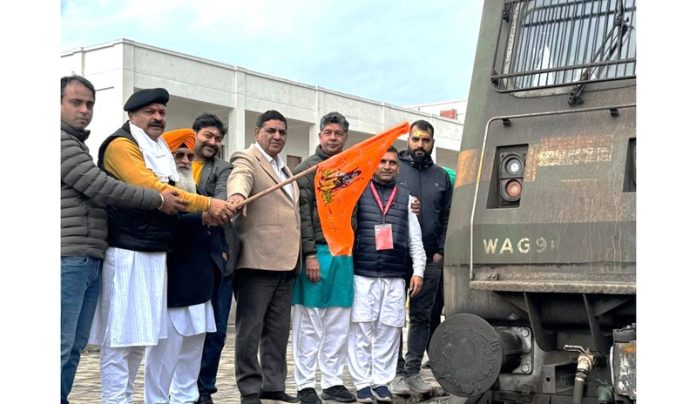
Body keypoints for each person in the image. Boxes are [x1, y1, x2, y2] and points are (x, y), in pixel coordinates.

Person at [88, 88, 235, 404]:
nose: (157, 118)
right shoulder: (121, 146)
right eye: (150, 112)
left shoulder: (156, 149)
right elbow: (155, 189)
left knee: (141, 340)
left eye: (162, 112)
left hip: (154, 253)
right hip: (127, 251)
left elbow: (172, 193)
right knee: (120, 340)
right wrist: (208, 204)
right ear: (132, 114)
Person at [60, 75, 187, 404]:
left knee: (100, 344)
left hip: (109, 252)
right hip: (100, 253)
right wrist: (160, 199)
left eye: (89, 104)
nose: (84, 110)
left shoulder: (82, 144)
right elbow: (105, 187)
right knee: (104, 342)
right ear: (133, 116)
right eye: (76, 102)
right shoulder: (115, 146)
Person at [144, 128, 225, 404]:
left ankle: (185, 399)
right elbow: (164, 226)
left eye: (188, 155)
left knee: (193, 352)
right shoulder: (158, 188)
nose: (184, 160)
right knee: (165, 355)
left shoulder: (197, 189)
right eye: (178, 154)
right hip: (173, 284)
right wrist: (201, 218)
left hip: (201, 284)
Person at [227, 110, 302, 404]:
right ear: (257, 132)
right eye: (271, 131)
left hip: (286, 262)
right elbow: (240, 178)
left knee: (278, 330)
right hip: (257, 261)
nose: (277, 137)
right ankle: (249, 388)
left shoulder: (286, 169)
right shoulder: (247, 158)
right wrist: (236, 196)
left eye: (282, 132)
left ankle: (273, 384)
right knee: (250, 330)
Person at [347, 146, 426, 403]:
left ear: (398, 167)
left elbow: (416, 240)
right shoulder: (358, 193)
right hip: (363, 273)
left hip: (394, 276)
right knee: (361, 329)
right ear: (374, 164)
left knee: (389, 331)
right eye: (382, 161)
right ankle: (361, 383)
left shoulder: (406, 198)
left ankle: (381, 382)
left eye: (392, 162)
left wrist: (418, 272)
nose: (387, 166)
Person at [291, 112, 356, 404]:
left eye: (338, 134)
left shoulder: (350, 167)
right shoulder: (306, 169)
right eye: (328, 133)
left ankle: (331, 381)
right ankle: (305, 384)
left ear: (345, 138)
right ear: (320, 135)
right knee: (309, 322)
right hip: (316, 251)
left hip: (344, 253)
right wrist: (308, 254)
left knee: (339, 321)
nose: (332, 138)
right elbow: (302, 214)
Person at [392, 120, 453, 396]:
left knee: (422, 318)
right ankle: (394, 372)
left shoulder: (441, 176)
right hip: (395, 257)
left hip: (429, 260)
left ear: (432, 143)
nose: (420, 145)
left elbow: (447, 217)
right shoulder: (394, 169)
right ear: (408, 140)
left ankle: (413, 372)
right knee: (392, 318)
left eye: (425, 140)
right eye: (415, 139)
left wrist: (440, 251)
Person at [191, 113, 241, 404]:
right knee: (184, 328)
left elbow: (221, 203)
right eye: (207, 136)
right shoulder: (174, 162)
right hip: (182, 258)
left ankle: (204, 389)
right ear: (194, 133)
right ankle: (181, 386)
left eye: (217, 138)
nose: (212, 142)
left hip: (219, 257)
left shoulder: (225, 168)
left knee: (216, 328)